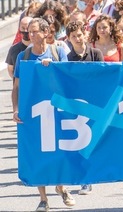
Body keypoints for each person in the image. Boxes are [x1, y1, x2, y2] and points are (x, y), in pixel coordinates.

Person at [11, 18, 74, 212]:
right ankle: (43, 198)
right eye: (28, 32)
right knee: (37, 153)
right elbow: (17, 86)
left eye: (35, 31)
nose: (30, 35)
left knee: (62, 151)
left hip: (57, 111)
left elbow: (69, 78)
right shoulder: (24, 56)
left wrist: (53, 67)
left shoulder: (58, 52)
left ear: (46, 32)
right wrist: (15, 108)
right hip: (34, 114)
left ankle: (62, 186)